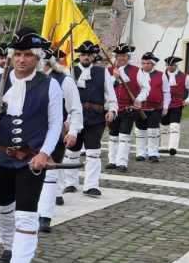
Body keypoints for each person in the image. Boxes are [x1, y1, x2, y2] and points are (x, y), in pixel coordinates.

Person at [0, 30, 62, 263]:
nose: (22, 60)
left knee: (26, 213)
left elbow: (55, 123)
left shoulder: (50, 85)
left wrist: (44, 154)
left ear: (37, 58)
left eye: (28, 55)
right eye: (18, 55)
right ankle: (9, 246)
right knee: (3, 207)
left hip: (30, 160)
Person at [35, 44, 82, 233]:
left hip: (55, 133)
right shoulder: (28, 79)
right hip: (31, 133)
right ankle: (29, 212)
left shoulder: (65, 81)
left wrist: (73, 131)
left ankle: (44, 216)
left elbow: (75, 109)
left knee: (50, 174)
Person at [59, 42, 117, 197]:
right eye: (83, 54)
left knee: (93, 151)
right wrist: (65, 118)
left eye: (89, 55)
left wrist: (112, 109)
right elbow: (63, 98)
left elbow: (109, 92)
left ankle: (91, 185)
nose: (86, 57)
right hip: (74, 117)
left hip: (95, 117)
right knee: (71, 151)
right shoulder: (69, 72)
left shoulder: (102, 72)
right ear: (79, 56)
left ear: (93, 57)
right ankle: (70, 183)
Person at [105, 44, 140, 172]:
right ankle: (112, 160)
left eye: (124, 56)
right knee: (113, 135)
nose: (121, 58)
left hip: (128, 108)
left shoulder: (136, 71)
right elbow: (106, 88)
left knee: (124, 136)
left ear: (128, 57)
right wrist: (114, 77)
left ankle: (122, 162)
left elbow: (145, 87)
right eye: (119, 56)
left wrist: (139, 99)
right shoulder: (108, 71)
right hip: (112, 108)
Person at [134, 52, 170, 163]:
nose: (145, 65)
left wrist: (166, 105)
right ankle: (140, 153)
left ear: (153, 64)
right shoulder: (137, 74)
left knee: (153, 130)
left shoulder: (161, 75)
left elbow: (166, 91)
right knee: (140, 130)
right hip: (140, 107)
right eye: (143, 63)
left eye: (148, 63)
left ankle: (153, 153)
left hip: (155, 107)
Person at [160, 55, 189, 155]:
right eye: (168, 65)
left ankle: (173, 147)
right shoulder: (162, 76)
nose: (170, 67)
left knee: (174, 126)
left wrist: (188, 99)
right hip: (164, 103)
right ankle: (164, 146)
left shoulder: (184, 76)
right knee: (164, 126)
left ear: (176, 65)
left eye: (172, 65)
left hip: (177, 104)